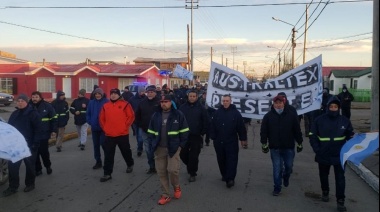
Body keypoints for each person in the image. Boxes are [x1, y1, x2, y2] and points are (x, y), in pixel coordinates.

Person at [309, 96, 354, 212]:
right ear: (327, 107)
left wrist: (356, 137)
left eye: (335, 107)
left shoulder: (344, 120)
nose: (333, 109)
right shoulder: (319, 120)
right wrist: (317, 149)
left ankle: (340, 201)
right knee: (323, 176)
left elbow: (350, 135)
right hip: (323, 154)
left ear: (338, 108)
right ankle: (325, 191)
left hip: (339, 155)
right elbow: (312, 135)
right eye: (331, 106)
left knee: (340, 178)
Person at [147, 94, 189, 205]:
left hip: (173, 148)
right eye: (161, 102)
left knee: (172, 170)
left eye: (166, 101)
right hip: (159, 148)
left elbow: (185, 131)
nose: (163, 103)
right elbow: (150, 132)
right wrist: (152, 144)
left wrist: (180, 146)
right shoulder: (156, 115)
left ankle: (176, 186)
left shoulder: (178, 115)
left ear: (171, 102)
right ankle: (165, 194)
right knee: (161, 172)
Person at [260, 95, 303, 196]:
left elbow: (297, 130)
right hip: (275, 147)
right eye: (276, 103)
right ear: (273, 104)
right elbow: (264, 131)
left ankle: (286, 176)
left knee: (288, 166)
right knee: (277, 168)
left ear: (284, 103)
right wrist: (264, 143)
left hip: (288, 147)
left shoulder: (291, 115)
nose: (278, 105)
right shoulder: (268, 116)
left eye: (280, 103)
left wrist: (300, 142)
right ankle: (277, 188)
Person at [3, 94, 42, 197]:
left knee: (30, 166)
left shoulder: (33, 114)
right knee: (13, 167)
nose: (20, 102)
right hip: (15, 146)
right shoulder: (15, 114)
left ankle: (30, 184)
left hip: (29, 145)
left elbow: (39, 130)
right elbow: (9, 129)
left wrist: (35, 144)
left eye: (22, 101)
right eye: (18, 101)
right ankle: (13, 187)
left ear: (26, 102)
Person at [209, 95, 247, 188]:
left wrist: (243, 139)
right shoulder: (217, 113)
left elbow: (241, 127)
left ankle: (230, 179)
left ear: (230, 101)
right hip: (219, 141)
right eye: (224, 101)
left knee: (232, 160)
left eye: (227, 101)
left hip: (231, 141)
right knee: (221, 159)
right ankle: (224, 174)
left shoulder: (236, 113)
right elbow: (212, 125)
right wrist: (213, 136)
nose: (225, 102)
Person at [99, 88, 135, 182]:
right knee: (108, 155)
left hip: (122, 134)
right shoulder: (106, 106)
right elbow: (101, 119)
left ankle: (130, 163)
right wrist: (105, 128)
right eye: (112, 94)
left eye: (115, 94)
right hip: (109, 134)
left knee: (125, 151)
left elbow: (131, 116)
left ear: (119, 95)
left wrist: (124, 126)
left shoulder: (125, 104)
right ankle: (107, 173)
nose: (113, 95)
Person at [179, 90, 208, 182]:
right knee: (182, 154)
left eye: (193, 96)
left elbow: (206, 121)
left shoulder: (201, 108)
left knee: (194, 156)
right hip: (184, 136)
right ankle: (190, 165)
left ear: (196, 97)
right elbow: (178, 120)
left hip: (196, 136)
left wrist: (202, 132)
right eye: (190, 96)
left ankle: (192, 173)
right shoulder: (182, 108)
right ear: (188, 97)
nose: (191, 98)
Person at [29, 91, 57, 176]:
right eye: (33, 97)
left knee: (44, 152)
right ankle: (38, 169)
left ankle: (48, 166)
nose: (34, 99)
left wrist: (53, 130)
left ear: (40, 98)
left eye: (36, 97)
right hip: (32, 134)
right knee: (35, 153)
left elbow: (54, 119)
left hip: (44, 133)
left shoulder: (47, 106)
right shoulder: (28, 106)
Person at [135, 85, 160, 174]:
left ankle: (160, 166)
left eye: (151, 92)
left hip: (157, 131)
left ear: (155, 93)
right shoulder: (142, 103)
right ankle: (152, 167)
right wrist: (140, 125)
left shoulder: (160, 102)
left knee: (157, 149)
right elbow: (137, 115)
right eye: (148, 92)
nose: (149, 93)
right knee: (148, 150)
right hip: (145, 130)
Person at [86, 87, 109, 169]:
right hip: (94, 128)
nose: (97, 95)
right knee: (96, 145)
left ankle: (107, 160)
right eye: (96, 94)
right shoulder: (91, 102)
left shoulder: (106, 102)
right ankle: (98, 161)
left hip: (104, 128)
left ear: (102, 94)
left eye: (99, 94)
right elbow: (88, 113)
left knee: (103, 144)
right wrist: (90, 121)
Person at [128, 86, 146, 156]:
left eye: (143, 91)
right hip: (135, 120)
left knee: (140, 136)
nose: (142, 93)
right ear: (138, 91)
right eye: (141, 91)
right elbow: (128, 108)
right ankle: (139, 146)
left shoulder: (146, 99)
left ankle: (139, 148)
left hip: (142, 120)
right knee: (137, 135)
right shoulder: (132, 99)